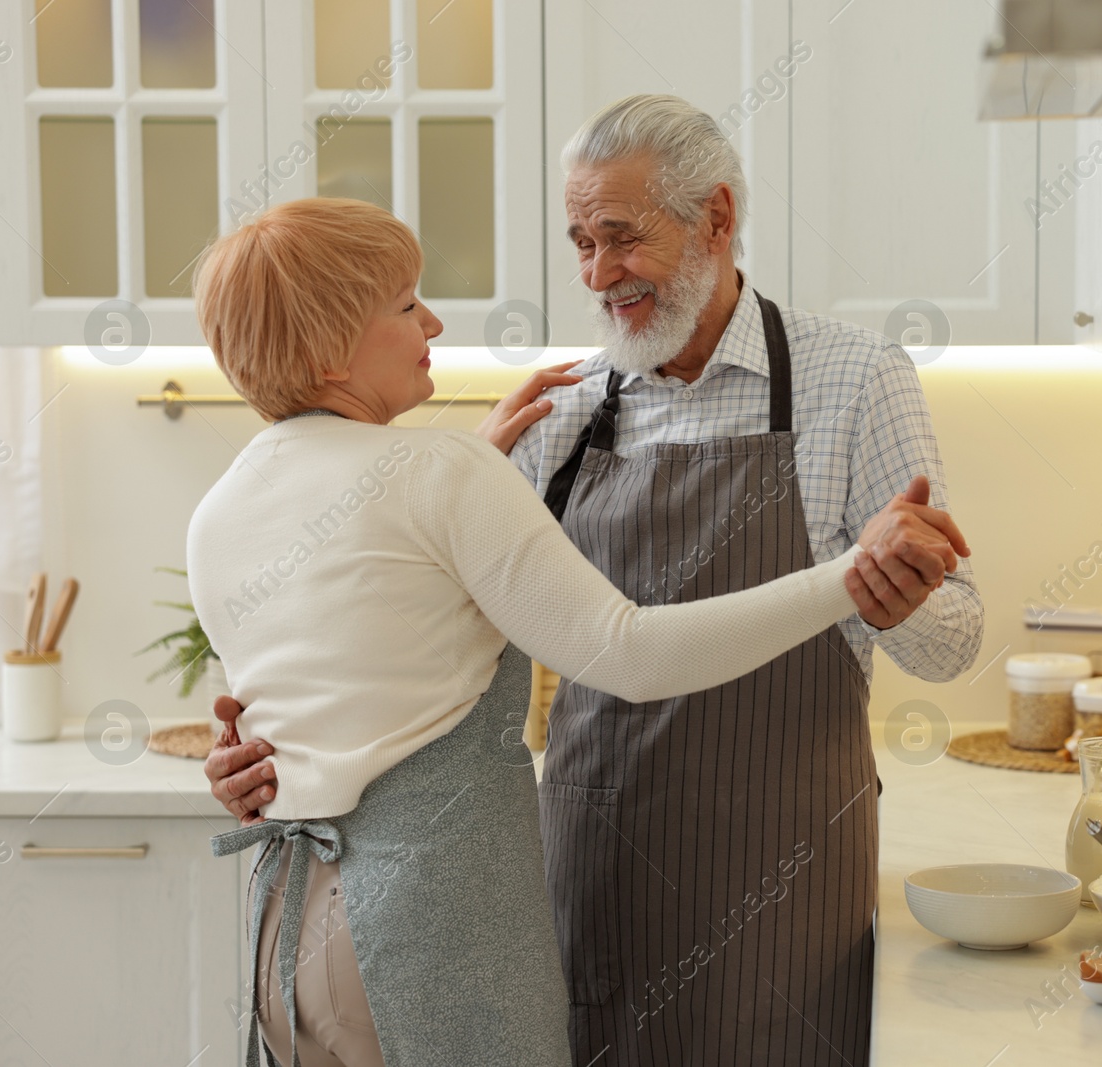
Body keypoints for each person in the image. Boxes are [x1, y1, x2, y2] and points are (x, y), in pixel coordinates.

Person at [187, 196, 967, 1067]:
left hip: (286, 925)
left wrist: (470, 470)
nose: (434, 319)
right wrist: (846, 578)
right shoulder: (441, 471)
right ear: (333, 345)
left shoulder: (219, 509)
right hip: (422, 936)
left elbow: (338, 664)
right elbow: (628, 652)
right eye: (406, 304)